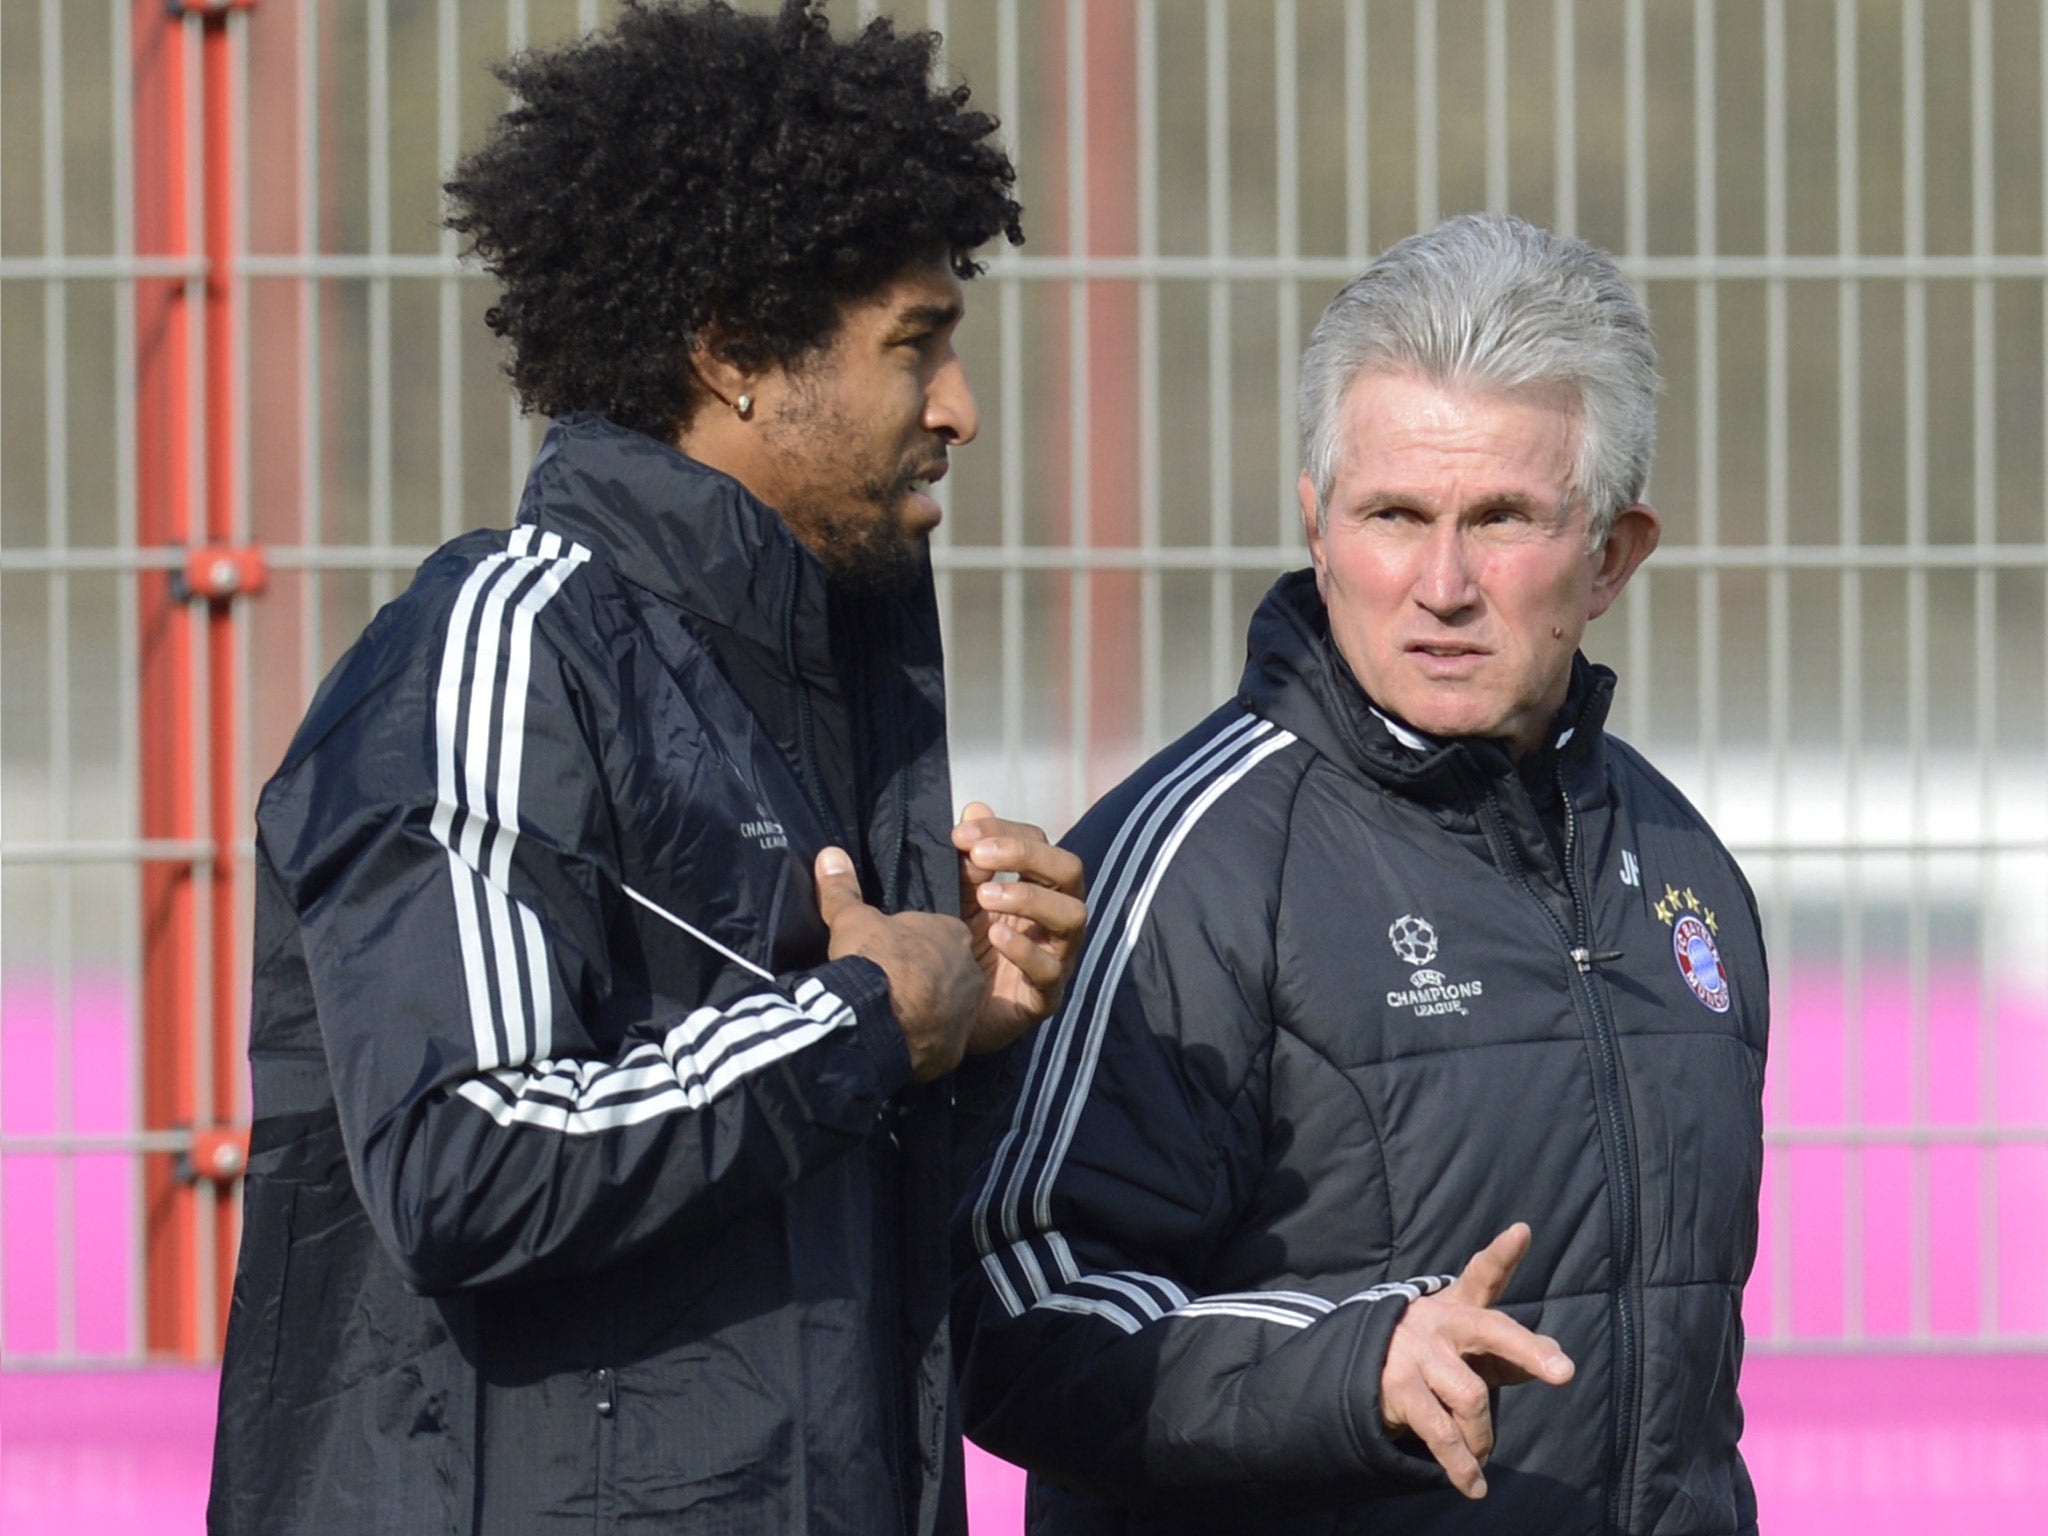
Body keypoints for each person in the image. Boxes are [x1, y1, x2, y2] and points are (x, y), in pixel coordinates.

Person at [208, 5, 1084, 1533]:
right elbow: (463, 1152)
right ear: (734, 350)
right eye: (914, 344)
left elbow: (788, 1213)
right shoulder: (500, 647)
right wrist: (872, 1015)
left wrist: (972, 1032)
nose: (959, 407)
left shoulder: (832, 661)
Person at [954, 212, 1767, 1535]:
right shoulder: (1178, 867)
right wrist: (1355, 1369)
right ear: (1318, 525)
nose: (1442, 583)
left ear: (1613, 554)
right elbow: (1017, 1311)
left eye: (1504, 518)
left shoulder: (1681, 870)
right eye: (1395, 513)